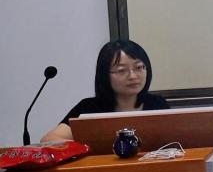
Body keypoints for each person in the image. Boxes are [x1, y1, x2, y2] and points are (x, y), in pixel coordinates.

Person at [41, 40, 169, 142]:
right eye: (121, 70)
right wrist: (86, 147)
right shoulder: (88, 108)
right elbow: (49, 140)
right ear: (104, 75)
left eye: (139, 67)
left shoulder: (157, 104)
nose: (133, 76)